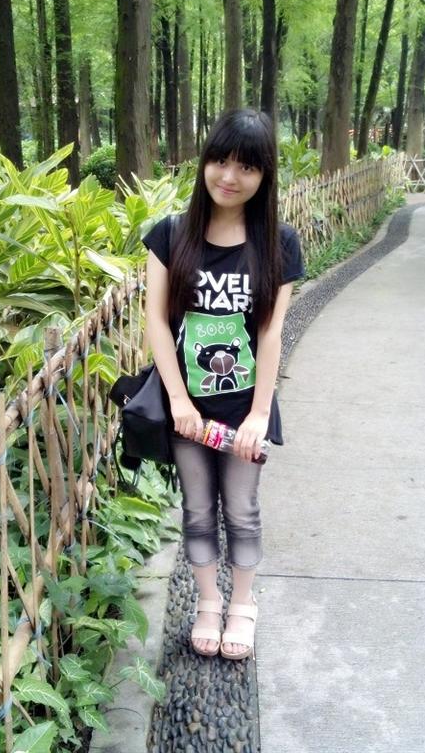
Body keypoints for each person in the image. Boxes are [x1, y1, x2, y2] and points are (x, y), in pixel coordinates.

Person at [143, 109, 305, 659]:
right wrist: (179, 401)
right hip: (187, 405)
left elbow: (271, 333)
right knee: (195, 507)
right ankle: (208, 603)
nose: (230, 177)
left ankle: (242, 604)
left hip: (244, 406)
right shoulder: (170, 235)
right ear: (205, 162)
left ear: (264, 176)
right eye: (220, 160)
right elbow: (156, 322)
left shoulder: (279, 243)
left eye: (247, 167)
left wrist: (259, 414)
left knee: (240, 508)